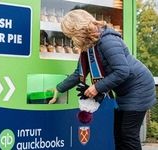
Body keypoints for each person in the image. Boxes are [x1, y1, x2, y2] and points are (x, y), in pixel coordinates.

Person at [49, 9, 156, 150]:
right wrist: (58, 88)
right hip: (126, 92)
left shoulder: (107, 40)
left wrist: (97, 87)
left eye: (71, 34)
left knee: (128, 135)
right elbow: (78, 73)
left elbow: (122, 71)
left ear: (78, 29)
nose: (71, 38)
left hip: (139, 88)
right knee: (119, 135)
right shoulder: (90, 45)